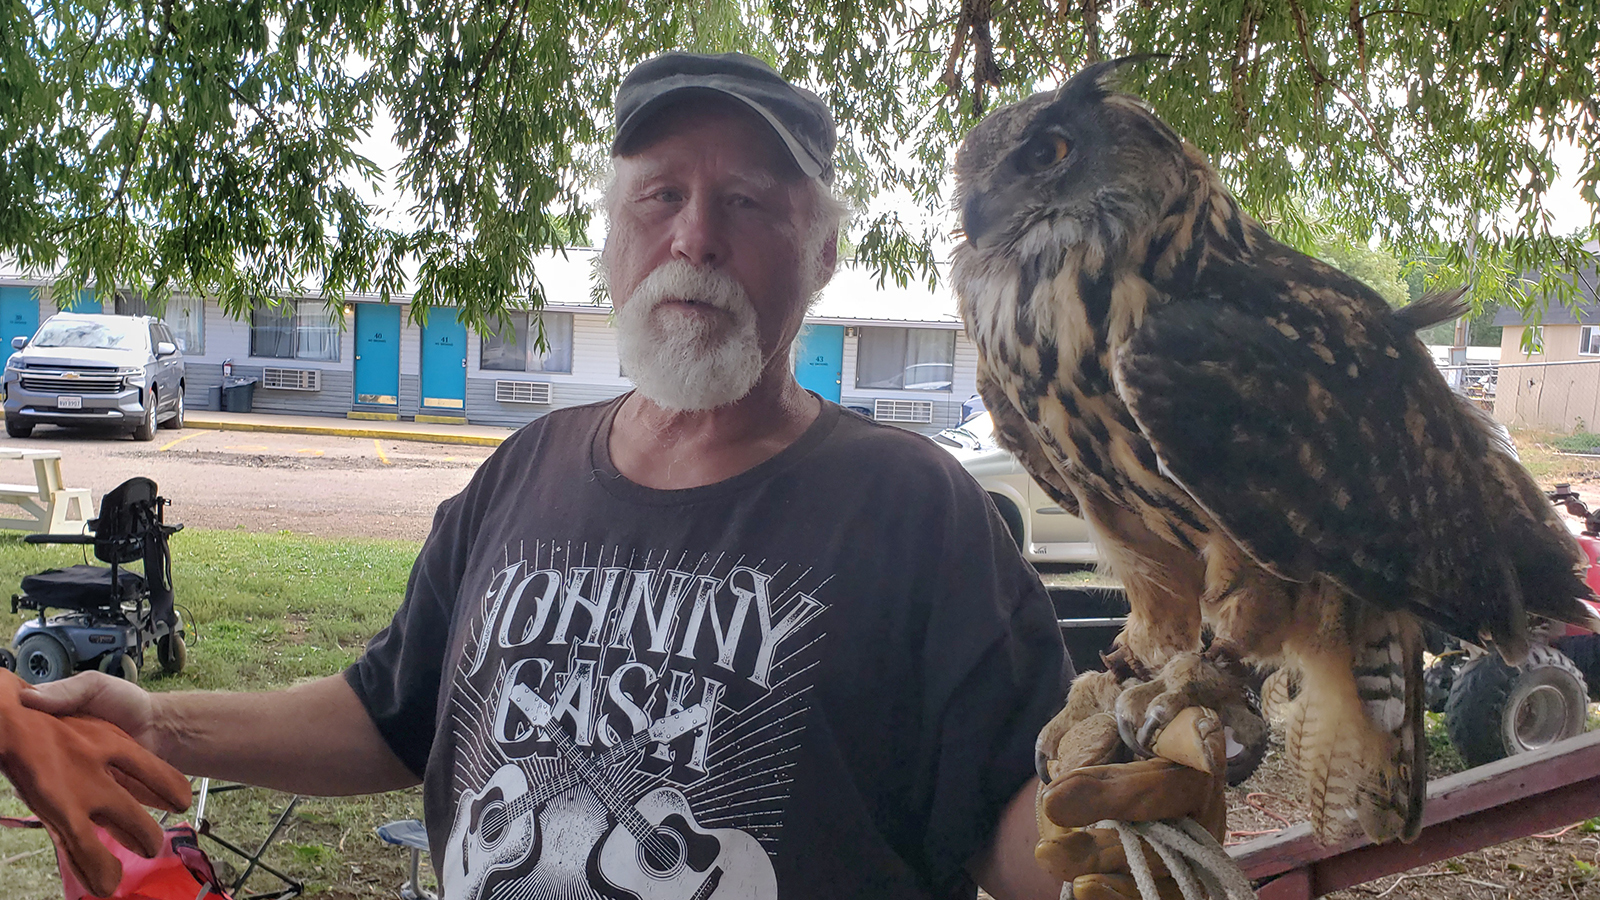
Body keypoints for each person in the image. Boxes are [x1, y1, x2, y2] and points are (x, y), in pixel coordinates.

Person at [20, 52, 1224, 900]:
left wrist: (1109, 851)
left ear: (820, 253)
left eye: (748, 202)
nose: (696, 237)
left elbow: (1009, 830)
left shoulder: (915, 507)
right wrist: (158, 716)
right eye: (662, 197)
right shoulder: (522, 473)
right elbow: (389, 717)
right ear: (616, 238)